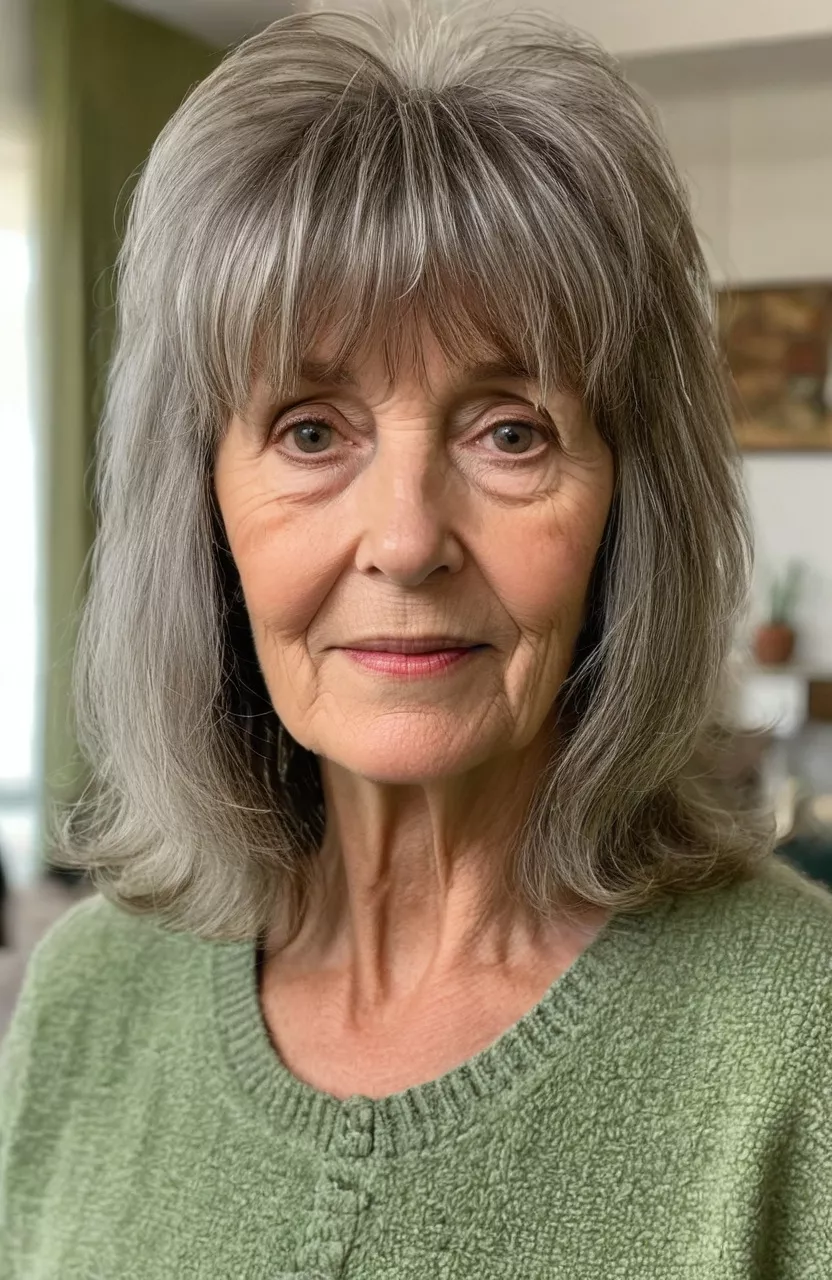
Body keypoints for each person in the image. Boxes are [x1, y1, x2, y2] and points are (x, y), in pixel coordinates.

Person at [2, 4, 830, 1276]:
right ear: (203, 504)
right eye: (311, 431)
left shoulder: (798, 1039)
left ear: (626, 503)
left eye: (509, 430)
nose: (404, 539)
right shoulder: (85, 998)